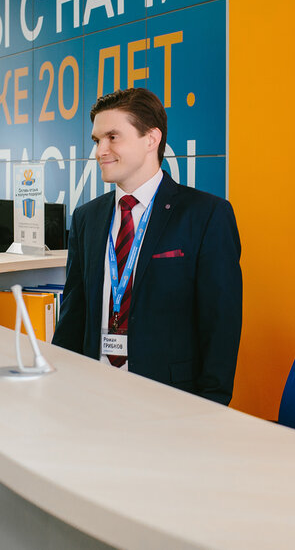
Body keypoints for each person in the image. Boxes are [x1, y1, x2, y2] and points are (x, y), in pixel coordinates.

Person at [51, 88, 243, 405]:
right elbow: (74, 314)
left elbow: (221, 325)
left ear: (151, 139)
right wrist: (58, 386)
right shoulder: (87, 217)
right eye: (97, 140)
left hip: (170, 401)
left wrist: (211, 406)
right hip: (93, 395)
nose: (100, 151)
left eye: (113, 137)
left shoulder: (206, 215)